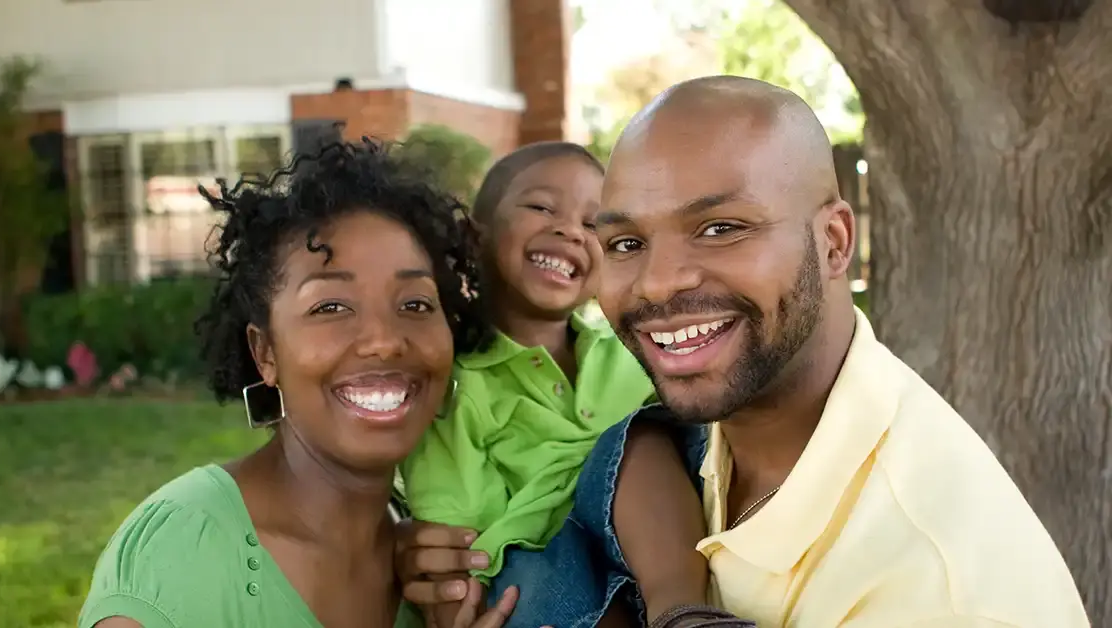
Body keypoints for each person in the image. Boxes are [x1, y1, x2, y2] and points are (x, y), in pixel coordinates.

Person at [394, 76, 1091, 627]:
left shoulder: (939, 596)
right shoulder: (708, 430)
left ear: (834, 243)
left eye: (721, 227)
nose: (660, 281)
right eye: (628, 243)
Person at [78, 139, 518, 628]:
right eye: (331, 307)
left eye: (415, 304)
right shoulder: (183, 556)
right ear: (266, 353)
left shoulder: (439, 568)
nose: (385, 341)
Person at [397, 142, 657, 628]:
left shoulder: (631, 355)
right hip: (544, 577)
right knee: (524, 587)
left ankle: (685, 613)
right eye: (541, 207)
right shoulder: (456, 382)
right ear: (476, 237)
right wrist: (455, 615)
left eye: (593, 224)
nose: (569, 231)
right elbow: (458, 547)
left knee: (644, 445)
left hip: (657, 557)